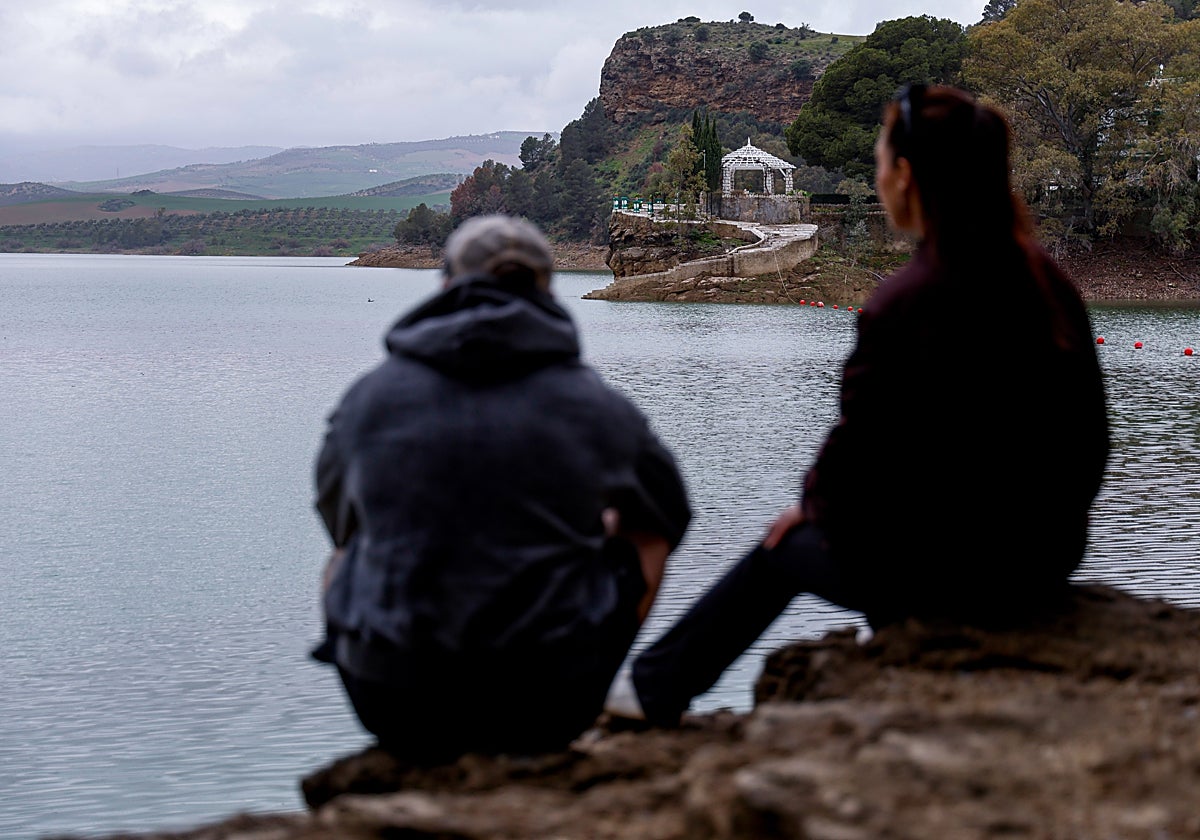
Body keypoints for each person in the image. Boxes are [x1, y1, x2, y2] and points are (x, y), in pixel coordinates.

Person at [607, 84, 1110, 727]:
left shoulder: (910, 299)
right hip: (1043, 562)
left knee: (783, 550)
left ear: (905, 175)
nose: (876, 177)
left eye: (879, 161)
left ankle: (650, 691)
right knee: (902, 520)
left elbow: (861, 447)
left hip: (961, 580)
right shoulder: (1046, 282)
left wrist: (811, 509)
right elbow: (1091, 438)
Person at [313, 213, 691, 761]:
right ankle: (594, 674)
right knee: (641, 530)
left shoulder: (371, 396)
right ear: (545, 288)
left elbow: (338, 520)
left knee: (345, 556)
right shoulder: (594, 404)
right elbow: (668, 513)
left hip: (395, 704)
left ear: (446, 283)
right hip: (547, 705)